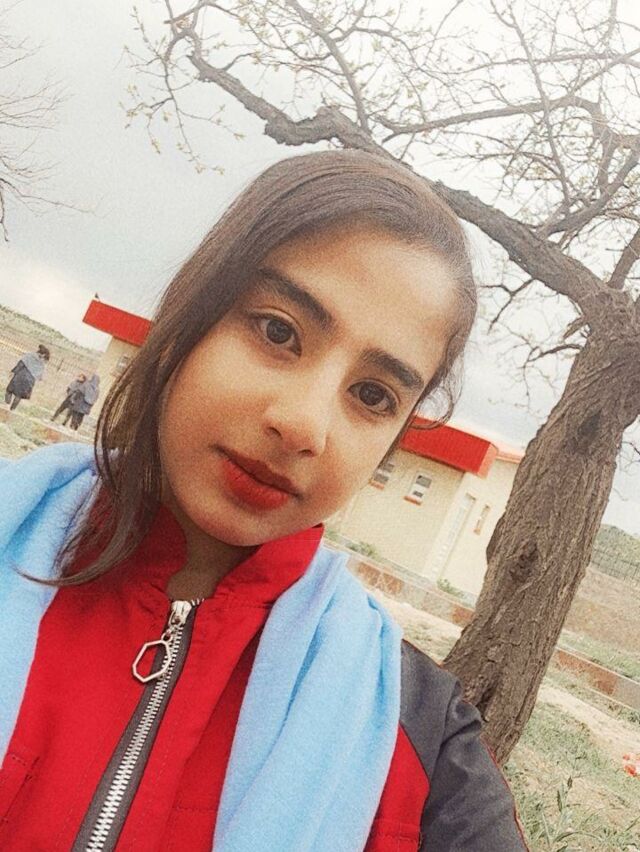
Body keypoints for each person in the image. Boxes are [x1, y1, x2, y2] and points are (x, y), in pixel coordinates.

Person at [0, 151, 528, 851]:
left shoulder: (419, 741)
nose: (305, 425)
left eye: (372, 395)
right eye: (278, 331)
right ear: (192, 312)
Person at [4, 344, 50, 410]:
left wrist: (13, 371)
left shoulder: (30, 355)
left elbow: (21, 364)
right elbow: (40, 377)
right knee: (19, 395)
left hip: (20, 376)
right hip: (30, 381)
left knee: (9, 390)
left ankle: (7, 406)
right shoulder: (43, 364)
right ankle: (12, 409)